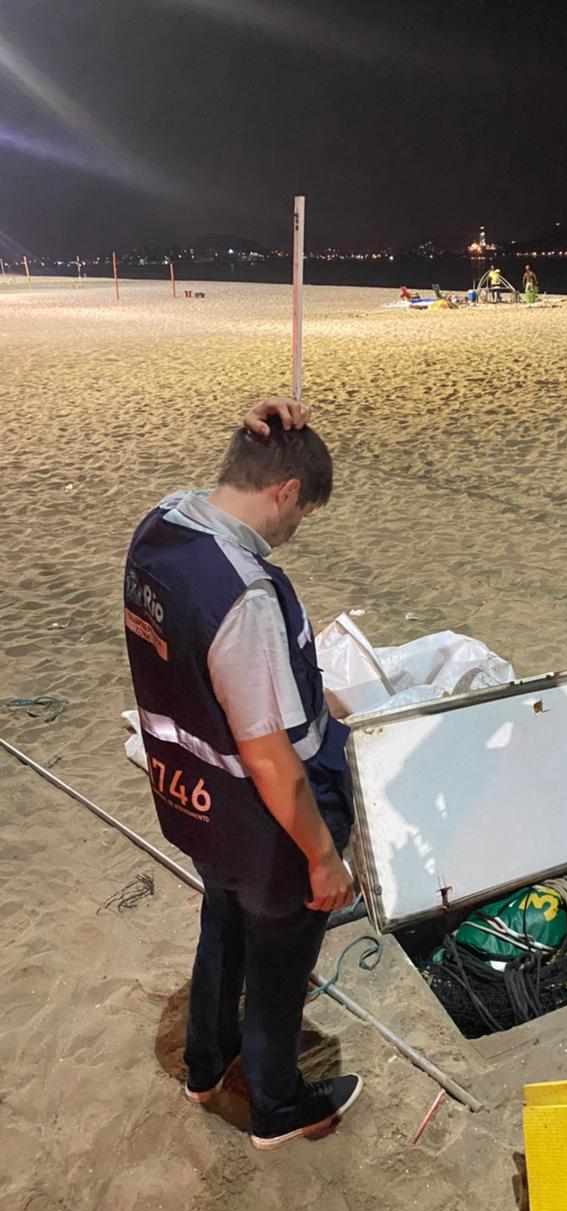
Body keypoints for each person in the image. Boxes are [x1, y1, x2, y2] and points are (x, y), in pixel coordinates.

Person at [123, 397, 364, 1150]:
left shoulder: (161, 526)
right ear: (285, 492)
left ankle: (204, 1067)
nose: (296, 530)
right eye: (303, 513)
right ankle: (276, 1107)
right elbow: (269, 756)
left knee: (221, 926)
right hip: (261, 826)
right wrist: (322, 858)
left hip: (190, 802)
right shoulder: (246, 595)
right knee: (279, 969)